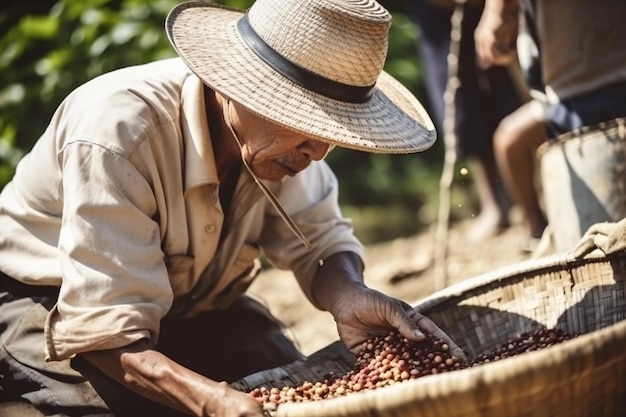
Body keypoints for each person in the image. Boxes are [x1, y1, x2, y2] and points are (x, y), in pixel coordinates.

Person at [0, 1, 466, 416]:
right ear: (238, 87)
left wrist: (346, 293)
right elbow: (102, 328)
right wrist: (209, 401)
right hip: (51, 302)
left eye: (333, 132)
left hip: (192, 303)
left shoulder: (280, 148)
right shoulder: (120, 130)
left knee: (293, 376)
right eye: (305, 121)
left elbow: (320, 241)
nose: (319, 151)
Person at [475, 0, 626, 252]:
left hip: (585, 90)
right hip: (573, 92)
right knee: (507, 139)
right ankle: (535, 229)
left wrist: (497, 10)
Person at [406, 0, 524, 243]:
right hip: (435, 19)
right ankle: (493, 204)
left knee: (500, 94)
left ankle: (521, 198)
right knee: (460, 109)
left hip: (483, 8)